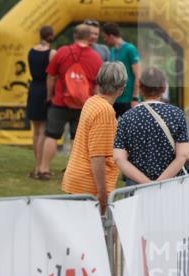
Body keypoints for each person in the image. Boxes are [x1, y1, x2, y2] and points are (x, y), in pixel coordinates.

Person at [37, 23, 103, 180]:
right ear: (89, 38)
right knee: (77, 139)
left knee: (51, 135)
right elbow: (98, 85)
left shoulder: (62, 52)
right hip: (83, 105)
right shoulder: (96, 58)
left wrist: (49, 96)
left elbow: (51, 76)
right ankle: (73, 171)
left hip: (60, 101)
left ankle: (43, 169)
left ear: (75, 36)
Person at [62, 62, 126, 212]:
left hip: (78, 179)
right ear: (122, 87)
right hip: (88, 186)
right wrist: (102, 194)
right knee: (102, 232)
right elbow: (97, 156)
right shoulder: (105, 111)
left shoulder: (92, 101)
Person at [113, 67, 189, 184]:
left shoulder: (126, 118)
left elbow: (119, 158)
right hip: (171, 186)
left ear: (139, 86)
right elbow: (183, 155)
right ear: (164, 88)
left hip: (136, 187)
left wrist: (146, 183)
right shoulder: (176, 114)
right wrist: (159, 183)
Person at [27, 25, 55, 178]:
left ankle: (37, 165)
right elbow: (52, 76)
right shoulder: (51, 53)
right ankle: (40, 167)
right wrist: (50, 95)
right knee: (43, 130)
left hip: (33, 89)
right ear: (50, 36)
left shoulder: (31, 51)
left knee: (36, 131)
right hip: (45, 90)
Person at [102, 22, 142, 117]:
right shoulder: (112, 50)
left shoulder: (130, 49)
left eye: (105, 37)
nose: (104, 40)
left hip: (128, 99)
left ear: (111, 36)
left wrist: (135, 97)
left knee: (129, 130)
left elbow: (138, 75)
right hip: (114, 99)